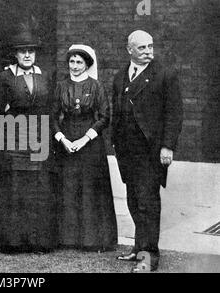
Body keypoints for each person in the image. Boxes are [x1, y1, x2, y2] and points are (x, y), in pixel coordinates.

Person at [112, 30, 183, 272]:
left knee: (148, 203)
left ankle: (148, 257)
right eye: (142, 48)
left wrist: (168, 146)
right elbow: (117, 112)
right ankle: (138, 247)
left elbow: (174, 114)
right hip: (127, 152)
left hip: (151, 152)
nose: (148, 52)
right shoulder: (120, 76)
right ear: (129, 49)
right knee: (134, 201)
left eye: (150, 46)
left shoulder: (165, 74)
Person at [0, 29, 56, 252]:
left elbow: (49, 107)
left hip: (40, 134)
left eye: (30, 51)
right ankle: (13, 242)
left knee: (38, 188)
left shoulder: (45, 76)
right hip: (13, 135)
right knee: (14, 187)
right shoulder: (5, 77)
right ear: (15, 55)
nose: (27, 55)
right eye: (22, 52)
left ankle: (38, 241)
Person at [52, 45, 117, 252]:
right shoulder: (61, 86)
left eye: (79, 62)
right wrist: (62, 139)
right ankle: (67, 238)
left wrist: (84, 139)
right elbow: (52, 116)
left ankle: (93, 240)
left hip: (90, 144)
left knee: (90, 189)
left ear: (87, 65)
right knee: (68, 186)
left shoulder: (96, 86)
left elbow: (105, 117)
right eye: (72, 62)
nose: (75, 66)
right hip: (67, 141)